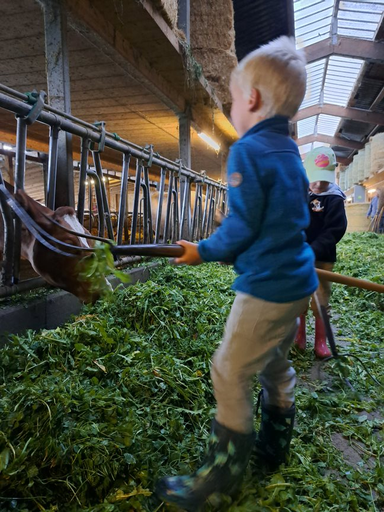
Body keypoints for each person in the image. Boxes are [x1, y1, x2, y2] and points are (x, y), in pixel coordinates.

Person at [156, 36, 318, 510]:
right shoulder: (290, 152)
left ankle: (220, 478)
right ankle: (274, 443)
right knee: (272, 363)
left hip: (265, 288)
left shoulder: (246, 151)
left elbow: (241, 228)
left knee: (228, 370)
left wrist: (200, 251)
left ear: (251, 100)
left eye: (232, 97)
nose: (231, 106)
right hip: (296, 286)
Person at [294, 147, 347, 358]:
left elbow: (335, 230)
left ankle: (320, 342)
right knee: (298, 297)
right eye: (314, 180)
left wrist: (313, 249)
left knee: (321, 299)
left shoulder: (334, 199)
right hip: (299, 258)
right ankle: (299, 338)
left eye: (323, 180)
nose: (318, 185)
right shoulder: (300, 195)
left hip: (323, 259)